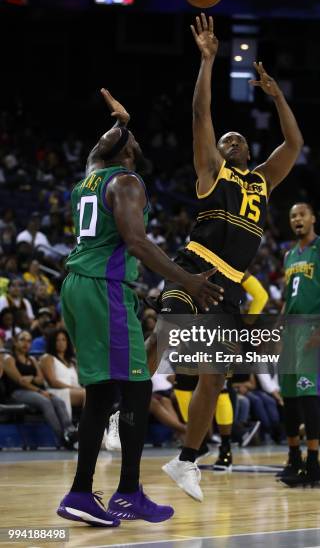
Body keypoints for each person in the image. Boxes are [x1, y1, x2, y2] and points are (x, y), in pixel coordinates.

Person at [56, 89, 223, 527]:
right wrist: (188, 281)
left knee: (104, 393)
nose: (133, 140)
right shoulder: (127, 182)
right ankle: (125, 493)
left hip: (80, 286)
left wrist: (122, 121)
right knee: (136, 388)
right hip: (100, 290)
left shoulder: (91, 174)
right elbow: (136, 241)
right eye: (130, 138)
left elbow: (98, 147)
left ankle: (82, 493)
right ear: (127, 152)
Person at [160, 13, 303, 501]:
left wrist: (277, 95)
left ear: (248, 150)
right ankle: (119, 410)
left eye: (237, 139)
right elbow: (202, 116)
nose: (230, 141)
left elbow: (295, 144)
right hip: (194, 267)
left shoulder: (262, 179)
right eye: (225, 141)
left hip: (229, 287)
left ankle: (185, 462)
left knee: (215, 376)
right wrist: (207, 61)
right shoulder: (211, 173)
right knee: (163, 338)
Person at [279, 203, 320, 487]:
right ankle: (294, 458)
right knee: (290, 398)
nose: (297, 219)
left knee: (309, 396)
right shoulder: (288, 255)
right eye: (293, 215)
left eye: (302, 214)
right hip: (291, 331)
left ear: (313, 218)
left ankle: (314, 461)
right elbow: (286, 299)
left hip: (314, 328)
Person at [3, 331, 77, 448]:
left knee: (58, 401)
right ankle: (63, 438)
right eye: (22, 340)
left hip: (33, 391)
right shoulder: (9, 359)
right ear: (16, 342)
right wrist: (39, 390)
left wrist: (31, 378)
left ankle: (71, 431)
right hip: (16, 393)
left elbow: (41, 380)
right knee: (45, 402)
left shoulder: (32, 359)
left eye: (29, 341)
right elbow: (20, 381)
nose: (26, 343)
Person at [40, 329, 85, 419]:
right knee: (87, 394)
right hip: (57, 391)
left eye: (64, 340)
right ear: (53, 342)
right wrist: (74, 388)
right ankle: (87, 425)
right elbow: (53, 382)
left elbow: (80, 380)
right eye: (57, 340)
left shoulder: (72, 361)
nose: (61, 343)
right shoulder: (47, 358)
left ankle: (99, 427)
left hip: (75, 390)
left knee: (95, 393)